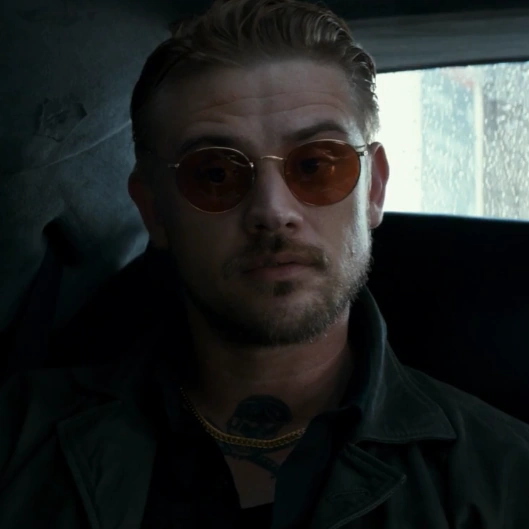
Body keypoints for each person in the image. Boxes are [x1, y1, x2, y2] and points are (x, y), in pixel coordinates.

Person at [1, 0, 529, 527]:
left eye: (316, 164)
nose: (273, 211)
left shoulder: (507, 479)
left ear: (374, 190)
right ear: (153, 210)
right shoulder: (18, 438)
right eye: (215, 173)